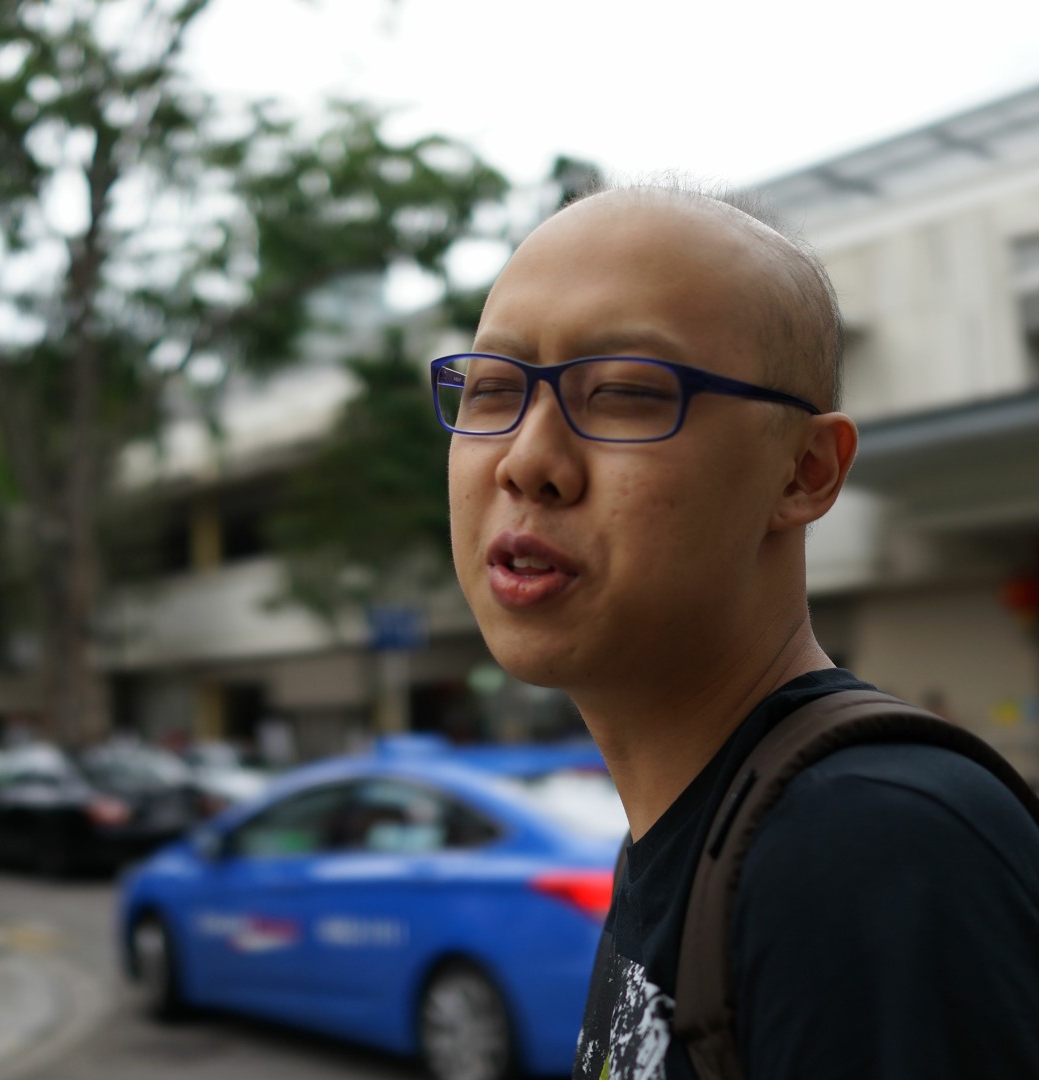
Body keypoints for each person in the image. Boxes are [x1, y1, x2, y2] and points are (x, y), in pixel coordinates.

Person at [434, 182, 1039, 1079]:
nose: (528, 461)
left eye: (627, 393)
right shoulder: (689, 832)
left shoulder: (869, 848)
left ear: (804, 472)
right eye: (492, 389)